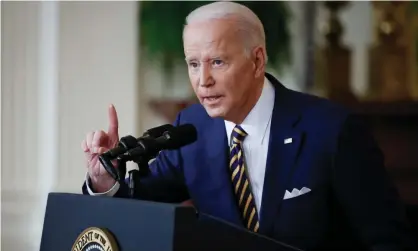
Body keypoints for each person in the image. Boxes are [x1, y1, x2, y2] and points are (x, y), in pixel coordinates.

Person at [81, 2, 415, 250]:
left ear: (257, 60)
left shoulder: (333, 130)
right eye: (194, 64)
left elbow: (388, 242)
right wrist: (103, 176)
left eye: (217, 62)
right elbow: (139, 202)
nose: (203, 80)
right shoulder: (192, 127)